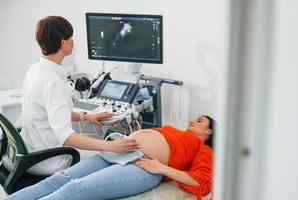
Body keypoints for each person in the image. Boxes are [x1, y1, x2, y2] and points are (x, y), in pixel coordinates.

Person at [20, 16, 139, 176]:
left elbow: (52, 113)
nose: (73, 42)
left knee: (102, 145)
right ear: (63, 43)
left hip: (32, 152)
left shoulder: (35, 69)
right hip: (50, 160)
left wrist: (86, 117)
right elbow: (65, 137)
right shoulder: (53, 81)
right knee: (113, 156)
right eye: (70, 37)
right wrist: (110, 146)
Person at [5, 115, 214, 200]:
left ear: (210, 132)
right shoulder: (176, 130)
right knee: (56, 180)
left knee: (72, 189)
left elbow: (202, 182)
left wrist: (161, 168)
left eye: (200, 120)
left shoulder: (203, 149)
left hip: (140, 165)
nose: (193, 120)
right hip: (115, 152)